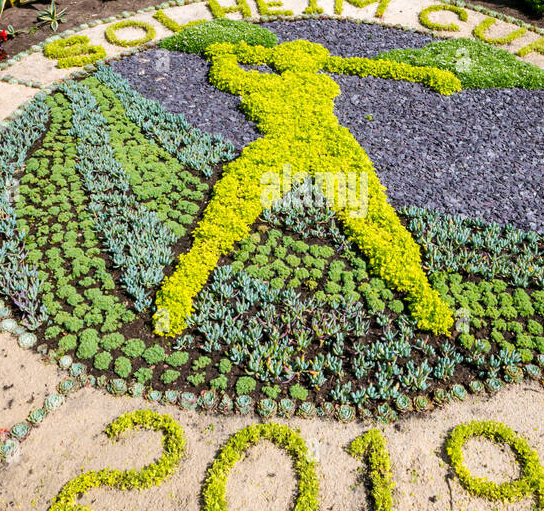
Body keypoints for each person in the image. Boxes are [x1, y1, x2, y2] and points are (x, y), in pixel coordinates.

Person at [153, 37, 460, 335]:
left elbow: (224, 74)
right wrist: (426, 74)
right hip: (315, 147)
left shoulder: (269, 83)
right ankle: (424, 297)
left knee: (227, 218)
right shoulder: (311, 82)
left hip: (303, 147)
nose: (306, 61)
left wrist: (225, 53)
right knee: (369, 219)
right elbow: (362, 66)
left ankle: (179, 294)